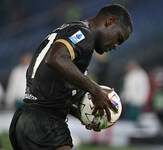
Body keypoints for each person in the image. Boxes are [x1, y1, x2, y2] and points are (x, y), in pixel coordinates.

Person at [9, 4, 133, 150]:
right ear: (110, 21)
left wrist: (81, 113)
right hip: (44, 123)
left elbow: (52, 85)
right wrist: (95, 90)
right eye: (118, 38)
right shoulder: (84, 34)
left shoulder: (73, 29)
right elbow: (55, 58)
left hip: (28, 118)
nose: (116, 46)